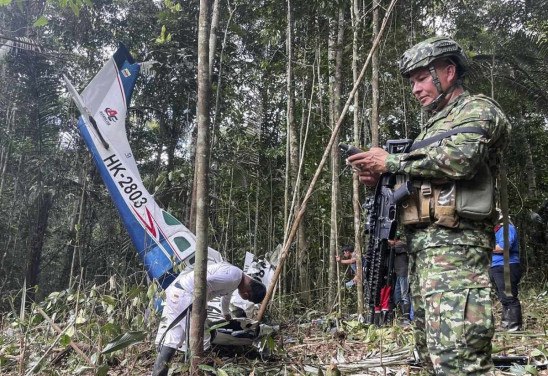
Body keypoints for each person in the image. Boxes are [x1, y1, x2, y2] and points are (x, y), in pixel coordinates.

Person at [347, 36, 510, 375]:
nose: (416, 88)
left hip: (457, 249)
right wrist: (382, 179)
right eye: (412, 81)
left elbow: (460, 160)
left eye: (422, 77)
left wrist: (391, 161)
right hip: (422, 249)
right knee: (428, 352)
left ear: (448, 72)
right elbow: (424, 183)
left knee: (458, 355)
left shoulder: (477, 109)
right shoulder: (429, 128)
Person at [152, 262, 266, 376]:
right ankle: (204, 372)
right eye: (248, 299)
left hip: (177, 293)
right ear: (247, 294)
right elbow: (204, 282)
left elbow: (226, 296)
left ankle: (158, 374)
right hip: (186, 297)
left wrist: (226, 313)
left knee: (174, 339)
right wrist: (202, 309)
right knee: (203, 338)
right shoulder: (232, 278)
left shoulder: (236, 276)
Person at [490, 213, 522, 331]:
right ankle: (506, 324)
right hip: (496, 266)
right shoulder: (495, 231)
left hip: (507, 265)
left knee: (509, 296)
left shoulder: (507, 228)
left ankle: (514, 326)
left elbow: (504, 247)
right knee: (503, 297)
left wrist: (484, 246)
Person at [389, 235, 411, 325]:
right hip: (398, 274)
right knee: (397, 296)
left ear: (395, 239)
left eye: (391, 239)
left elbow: (393, 247)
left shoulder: (400, 244)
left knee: (404, 295)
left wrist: (387, 242)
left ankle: (406, 318)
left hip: (403, 273)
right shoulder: (396, 246)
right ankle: (401, 316)